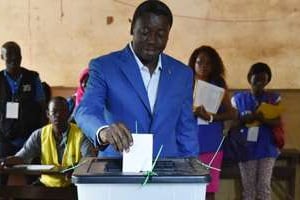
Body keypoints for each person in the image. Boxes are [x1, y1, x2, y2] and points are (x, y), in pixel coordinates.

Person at [74, 0, 199, 158]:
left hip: (167, 172)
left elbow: (186, 130)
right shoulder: (104, 67)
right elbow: (86, 111)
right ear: (132, 28)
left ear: (168, 35)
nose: (152, 40)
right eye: (145, 32)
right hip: (118, 172)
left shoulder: (182, 74)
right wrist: (103, 131)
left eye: (160, 34)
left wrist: (192, 173)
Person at [0, 96, 95, 187]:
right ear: (48, 114)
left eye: (63, 111)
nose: (58, 115)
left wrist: (75, 168)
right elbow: (22, 157)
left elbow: (89, 159)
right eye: (54, 112)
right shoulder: (39, 134)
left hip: (72, 184)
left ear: (68, 114)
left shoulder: (81, 134)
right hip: (46, 184)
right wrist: (6, 161)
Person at [188, 46, 235, 200]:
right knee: (189, 188)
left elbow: (231, 113)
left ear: (214, 65)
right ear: (193, 63)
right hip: (188, 142)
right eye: (199, 62)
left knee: (209, 189)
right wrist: (191, 111)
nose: (203, 66)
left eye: (208, 63)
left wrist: (211, 117)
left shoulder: (218, 84)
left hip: (211, 144)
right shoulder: (184, 82)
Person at [231, 62, 281, 200]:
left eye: (263, 81)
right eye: (256, 80)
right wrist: (244, 119)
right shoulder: (238, 99)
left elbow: (278, 121)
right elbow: (232, 124)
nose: (259, 84)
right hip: (246, 149)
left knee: (264, 187)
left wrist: (263, 119)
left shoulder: (273, 98)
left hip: (267, 148)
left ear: (267, 81)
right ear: (249, 78)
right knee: (248, 190)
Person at [0, 41, 46, 185]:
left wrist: (42, 136)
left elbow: (42, 105)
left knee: (34, 180)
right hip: (4, 138)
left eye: (17, 55)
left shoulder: (32, 77)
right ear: (2, 57)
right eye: (9, 55)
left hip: (30, 138)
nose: (14, 59)